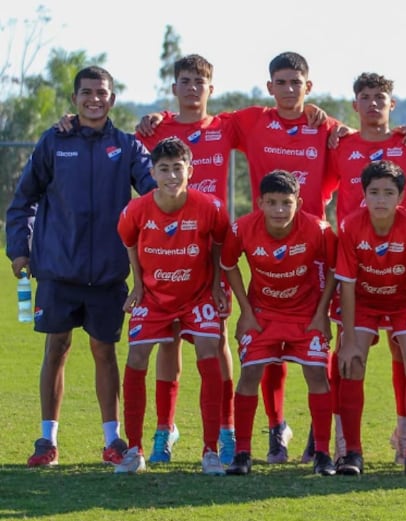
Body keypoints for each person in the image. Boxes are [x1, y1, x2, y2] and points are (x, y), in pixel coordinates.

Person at [5, 65, 155, 467]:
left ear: (112, 98)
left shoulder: (126, 147)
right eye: (86, 92)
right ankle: (46, 441)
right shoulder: (54, 142)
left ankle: (112, 441)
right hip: (57, 270)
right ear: (75, 99)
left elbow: (156, 194)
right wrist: (20, 248)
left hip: (107, 273)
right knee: (56, 349)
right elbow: (24, 201)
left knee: (104, 351)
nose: (94, 99)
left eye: (101, 92)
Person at [133, 54, 238, 466]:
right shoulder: (157, 130)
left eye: (200, 81)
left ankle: (225, 429)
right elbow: (123, 143)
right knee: (167, 339)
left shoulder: (226, 126)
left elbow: (281, 116)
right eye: (185, 80)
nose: (193, 87)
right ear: (174, 87)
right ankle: (164, 429)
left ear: (211, 88)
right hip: (166, 249)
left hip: (210, 251)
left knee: (218, 340)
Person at [323, 72, 406, 464]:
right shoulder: (341, 144)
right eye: (364, 97)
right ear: (354, 104)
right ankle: (343, 444)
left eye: (380, 97)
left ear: (392, 103)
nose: (372, 103)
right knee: (346, 356)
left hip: (403, 266)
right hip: (358, 267)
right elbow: (318, 191)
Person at [114, 137, 230, 475]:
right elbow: (130, 243)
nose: (171, 176)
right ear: (152, 172)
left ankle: (211, 451)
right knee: (136, 356)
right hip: (154, 298)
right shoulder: (135, 210)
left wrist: (216, 287)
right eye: (163, 169)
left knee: (210, 351)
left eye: (177, 168)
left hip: (197, 297)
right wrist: (137, 284)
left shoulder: (209, 206)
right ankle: (134, 450)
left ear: (190, 171)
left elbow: (219, 246)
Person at [220, 170, 338, 477]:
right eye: (271, 202)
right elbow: (228, 264)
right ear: (259, 202)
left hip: (305, 314)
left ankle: (323, 453)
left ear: (298, 202)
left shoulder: (319, 230)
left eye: (286, 203)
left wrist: (322, 314)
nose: (279, 210)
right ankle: (243, 454)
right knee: (250, 375)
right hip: (263, 315)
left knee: (317, 374)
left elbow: (336, 270)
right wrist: (245, 312)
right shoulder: (242, 229)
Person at [334, 160, 406, 476]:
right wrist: (348, 342)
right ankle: (351, 452)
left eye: (388, 193)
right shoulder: (350, 226)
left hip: (403, 302)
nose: (380, 199)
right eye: (374, 192)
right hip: (363, 301)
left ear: (401, 197)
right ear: (364, 194)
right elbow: (347, 286)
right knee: (351, 362)